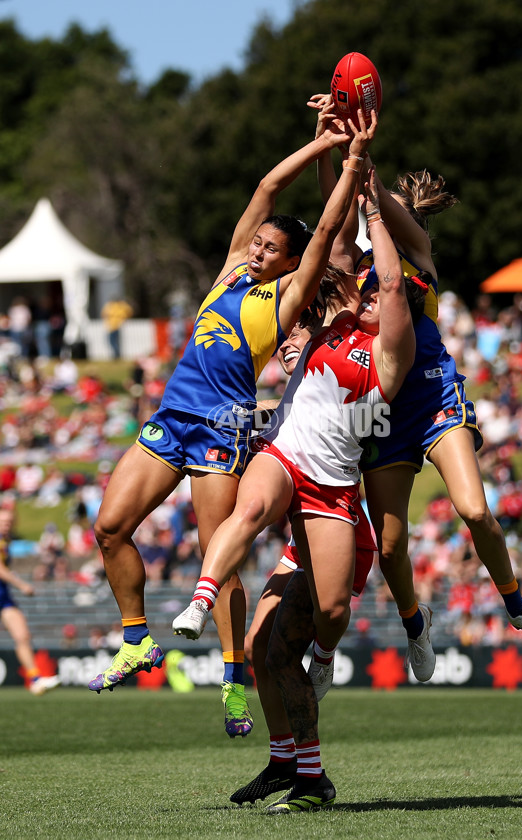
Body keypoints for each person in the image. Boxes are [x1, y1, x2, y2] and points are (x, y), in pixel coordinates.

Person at [89, 109, 367, 740]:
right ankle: (137, 639)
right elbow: (266, 189)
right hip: (171, 417)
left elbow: (327, 231)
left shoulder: (289, 295)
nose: (256, 250)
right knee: (109, 529)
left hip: (222, 427)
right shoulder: (230, 274)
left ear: (293, 261)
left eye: (270, 248)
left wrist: (348, 165)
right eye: (256, 242)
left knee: (218, 557)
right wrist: (321, 139)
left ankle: (234, 675)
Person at [171, 160, 421, 812]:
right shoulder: (324, 320)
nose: (362, 294)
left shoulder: (391, 351)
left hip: (334, 500)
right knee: (259, 640)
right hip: (285, 468)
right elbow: (325, 241)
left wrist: (374, 210)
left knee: (316, 627)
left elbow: (388, 279)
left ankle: (312, 743)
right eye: (358, 291)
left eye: (373, 296)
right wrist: (339, 153)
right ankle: (291, 762)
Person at [309, 93, 522, 651]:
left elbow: (366, 195)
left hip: (432, 396)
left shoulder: (419, 254)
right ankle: (413, 624)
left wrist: (361, 153)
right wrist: (333, 148)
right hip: (382, 409)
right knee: (393, 547)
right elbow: (336, 209)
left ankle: (519, 607)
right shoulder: (355, 270)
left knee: (474, 509)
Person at [230, 310, 378, 807]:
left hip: (336, 527)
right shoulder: (283, 400)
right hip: (301, 541)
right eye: (282, 337)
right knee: (259, 646)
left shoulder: (337, 378)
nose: (286, 342)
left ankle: (310, 770)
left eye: (298, 331)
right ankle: (286, 763)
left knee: (289, 645)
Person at [0, 506, 61, 695]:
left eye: (9, 522)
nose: (6, 525)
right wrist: (21, 584)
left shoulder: (6, 542)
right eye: (3, 521)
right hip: (7, 591)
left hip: (3, 595)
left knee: (22, 635)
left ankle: (35, 679)